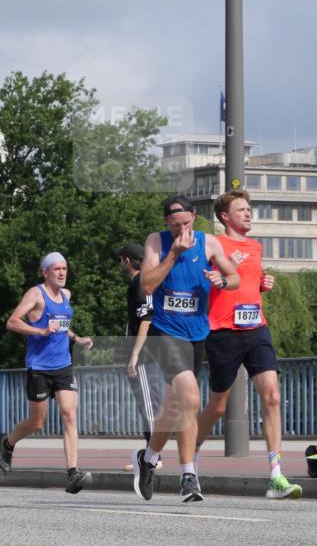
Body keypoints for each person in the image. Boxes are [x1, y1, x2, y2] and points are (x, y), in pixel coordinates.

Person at [130, 196, 239, 503]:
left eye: (186, 224)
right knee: (191, 395)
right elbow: (147, 286)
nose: (181, 230)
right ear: (166, 223)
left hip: (196, 333)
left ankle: (149, 458)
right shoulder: (156, 242)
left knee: (174, 407)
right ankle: (189, 475)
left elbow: (235, 277)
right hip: (164, 331)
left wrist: (222, 280)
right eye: (175, 225)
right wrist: (173, 254)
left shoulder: (209, 244)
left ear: (194, 217)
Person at [194, 190, 301, 499]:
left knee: (272, 396)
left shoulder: (255, 246)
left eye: (249, 208)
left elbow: (250, 285)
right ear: (224, 216)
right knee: (218, 406)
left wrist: (264, 284)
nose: (248, 213)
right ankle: (192, 462)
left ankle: (276, 476)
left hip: (256, 328)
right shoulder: (214, 244)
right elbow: (203, 282)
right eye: (241, 209)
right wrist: (223, 268)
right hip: (222, 332)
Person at [0, 252, 94, 494]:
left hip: (63, 365)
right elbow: (12, 322)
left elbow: (62, 326)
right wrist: (40, 332)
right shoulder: (35, 294)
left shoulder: (67, 295)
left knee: (69, 415)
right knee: (36, 422)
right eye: (56, 269)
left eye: (64, 268)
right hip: (39, 367)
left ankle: (73, 473)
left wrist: (76, 338)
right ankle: (7, 442)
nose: (61, 273)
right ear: (45, 272)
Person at [116, 243, 163, 472]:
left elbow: (147, 318)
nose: (120, 264)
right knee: (147, 405)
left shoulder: (140, 283)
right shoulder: (143, 282)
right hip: (145, 353)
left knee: (149, 405)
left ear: (127, 260)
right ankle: (151, 454)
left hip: (144, 355)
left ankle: (154, 457)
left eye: (120, 260)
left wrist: (134, 354)